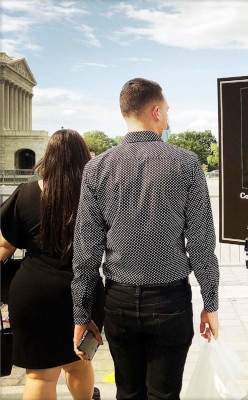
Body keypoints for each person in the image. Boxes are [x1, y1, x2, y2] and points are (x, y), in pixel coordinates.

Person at [71, 78, 220, 400]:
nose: (166, 118)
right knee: (165, 394)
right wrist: (211, 303)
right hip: (170, 301)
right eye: (166, 111)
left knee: (127, 392)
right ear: (155, 111)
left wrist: (81, 314)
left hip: (119, 301)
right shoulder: (186, 163)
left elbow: (86, 252)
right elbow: (201, 243)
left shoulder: (97, 168)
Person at [0, 129, 104, 400]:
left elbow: (4, 245)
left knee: (39, 375)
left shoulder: (25, 194)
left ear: (48, 158)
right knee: (80, 363)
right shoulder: (97, 195)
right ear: (85, 158)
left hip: (34, 292)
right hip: (84, 291)